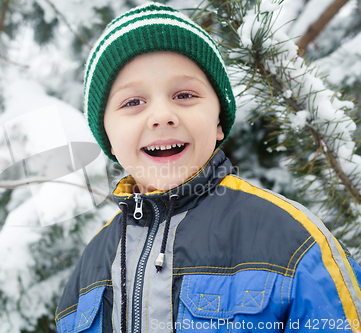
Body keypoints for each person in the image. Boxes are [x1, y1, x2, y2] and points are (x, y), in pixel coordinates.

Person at [55, 2, 361, 332]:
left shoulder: (294, 242)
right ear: (109, 139)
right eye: (132, 102)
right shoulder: (90, 267)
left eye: (184, 95)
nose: (161, 116)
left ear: (218, 121)